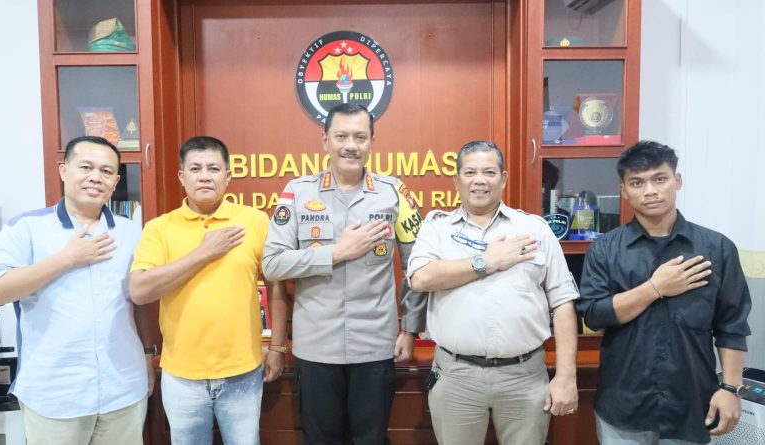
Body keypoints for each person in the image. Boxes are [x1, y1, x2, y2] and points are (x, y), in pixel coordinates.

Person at [262, 103, 427, 445]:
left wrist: (411, 328)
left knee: (371, 439)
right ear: (325, 141)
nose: (350, 145)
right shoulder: (298, 192)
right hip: (316, 349)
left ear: (372, 142)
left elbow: (418, 264)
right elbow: (273, 263)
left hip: (375, 347)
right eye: (341, 136)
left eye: (360, 137)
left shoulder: (394, 192)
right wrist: (336, 253)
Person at [0, 136, 153, 445]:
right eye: (86, 167)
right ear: (64, 171)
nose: (95, 177)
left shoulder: (130, 232)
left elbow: (139, 302)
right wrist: (66, 259)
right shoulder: (27, 228)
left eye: (106, 171)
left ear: (115, 182)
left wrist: (149, 355)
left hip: (123, 389)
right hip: (55, 395)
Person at [577, 140, 751, 444]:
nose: (650, 191)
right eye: (637, 182)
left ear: (677, 180)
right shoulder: (605, 249)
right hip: (624, 404)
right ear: (623, 190)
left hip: (691, 402)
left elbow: (731, 325)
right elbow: (594, 315)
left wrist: (730, 388)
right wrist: (655, 288)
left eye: (660, 179)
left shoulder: (717, 248)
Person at [407, 140, 579, 445]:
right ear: (456, 180)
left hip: (524, 377)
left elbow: (563, 301)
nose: (480, 180)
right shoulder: (437, 228)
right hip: (457, 377)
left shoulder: (534, 229)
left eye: (489, 172)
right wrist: (486, 261)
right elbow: (420, 278)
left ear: (503, 178)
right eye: (470, 172)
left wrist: (566, 377)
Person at [128, 136, 287, 445]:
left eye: (213, 169)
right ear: (182, 177)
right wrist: (204, 252)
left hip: (243, 371)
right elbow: (140, 291)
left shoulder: (254, 221)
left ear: (227, 176)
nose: (204, 176)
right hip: (182, 376)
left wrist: (278, 348)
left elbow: (276, 286)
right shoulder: (159, 228)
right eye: (195, 168)